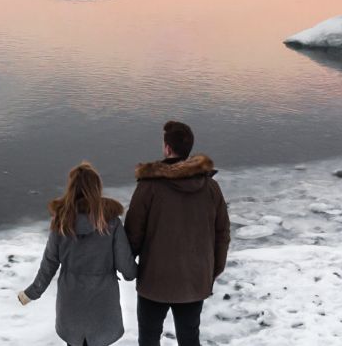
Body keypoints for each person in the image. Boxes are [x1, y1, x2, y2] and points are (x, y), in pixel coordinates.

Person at [124, 121, 231, 346]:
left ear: (167, 149)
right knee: (190, 338)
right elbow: (222, 233)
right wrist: (213, 269)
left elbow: (133, 234)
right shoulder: (211, 188)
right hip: (194, 279)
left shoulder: (148, 186)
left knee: (149, 339)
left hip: (154, 281)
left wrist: (128, 268)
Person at [18, 162, 137, 346]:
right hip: (102, 307)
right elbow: (128, 270)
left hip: (71, 306)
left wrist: (31, 294)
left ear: (71, 189)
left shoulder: (61, 222)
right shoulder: (110, 222)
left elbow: (49, 263)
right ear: (97, 188)